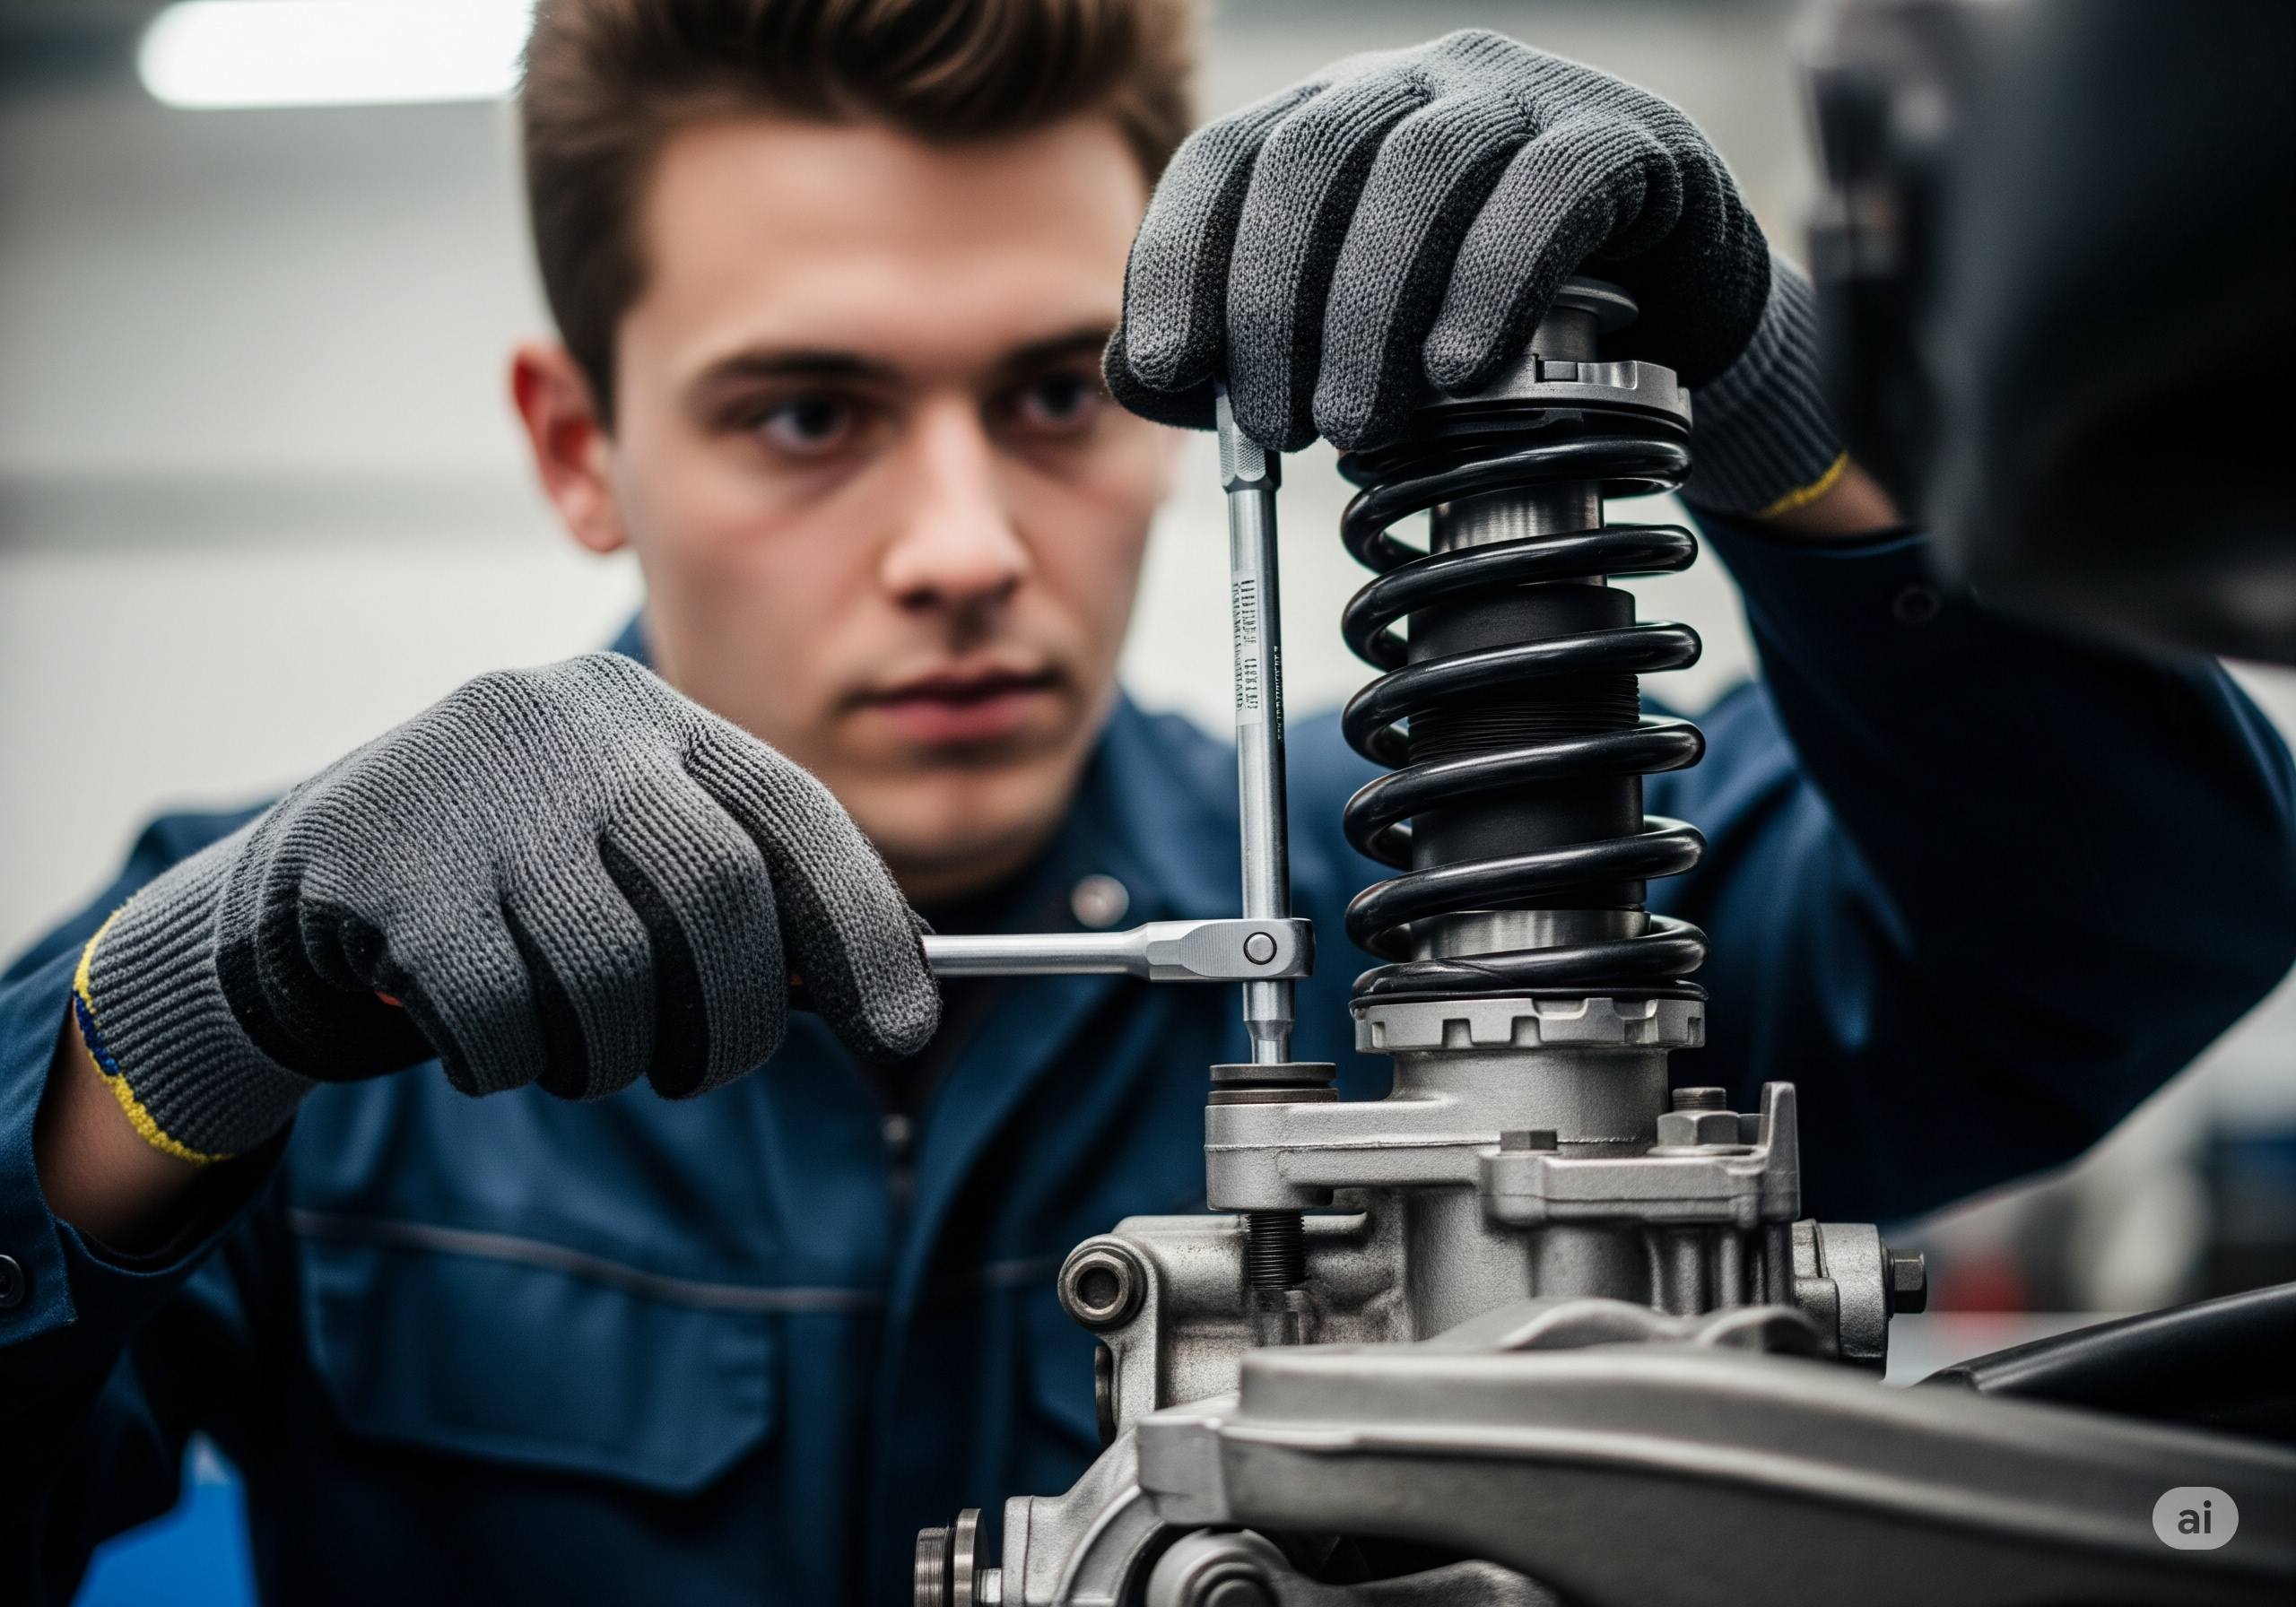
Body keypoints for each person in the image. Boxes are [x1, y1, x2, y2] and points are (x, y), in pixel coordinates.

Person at [4, 3, 2291, 1603]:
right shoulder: (311, 996)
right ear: (578, 442)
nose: (962, 543)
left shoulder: (1501, 901)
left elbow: (2134, 916)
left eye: (1048, 394)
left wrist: (1775, 383)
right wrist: (191, 1017)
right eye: (804, 413)